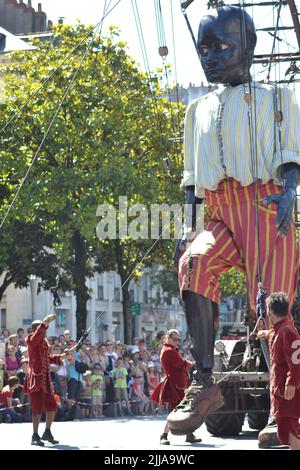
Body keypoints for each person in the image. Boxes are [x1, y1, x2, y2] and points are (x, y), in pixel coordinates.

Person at [169, 4, 300, 436]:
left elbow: (289, 155)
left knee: (268, 305)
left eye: (222, 46)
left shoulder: (276, 98)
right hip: (218, 210)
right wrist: (187, 228)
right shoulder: (195, 111)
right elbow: (191, 179)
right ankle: (205, 382)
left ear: (249, 47)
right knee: (193, 264)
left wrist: (291, 192)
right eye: (204, 49)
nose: (210, 56)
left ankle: (285, 413)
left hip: (265, 205)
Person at [256, 292, 300, 449]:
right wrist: (264, 333)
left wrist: (292, 382)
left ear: (270, 310)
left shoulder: (287, 331)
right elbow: (274, 333)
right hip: (280, 392)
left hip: (287, 391)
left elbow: (297, 361)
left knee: (291, 430)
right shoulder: (279, 329)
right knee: (284, 433)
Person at [24, 314, 75, 446]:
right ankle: (34, 435)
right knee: (37, 407)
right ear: (35, 330)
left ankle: (47, 431)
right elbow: (37, 334)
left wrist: (63, 356)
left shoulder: (44, 343)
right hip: (36, 377)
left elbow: (48, 358)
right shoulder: (31, 339)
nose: (44, 331)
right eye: (42, 329)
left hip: (46, 379)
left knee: (52, 405)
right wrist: (46, 321)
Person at [150, 330, 201, 445]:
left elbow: (182, 364)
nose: (177, 342)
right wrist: (193, 364)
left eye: (178, 339)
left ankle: (189, 434)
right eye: (175, 339)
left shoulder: (171, 349)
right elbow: (182, 363)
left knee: (185, 409)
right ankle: (164, 435)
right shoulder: (168, 351)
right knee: (175, 410)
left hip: (179, 383)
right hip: (176, 385)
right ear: (168, 338)